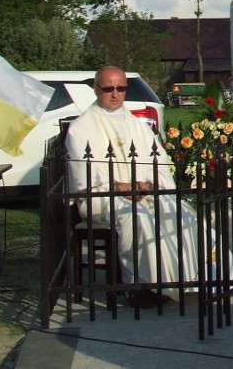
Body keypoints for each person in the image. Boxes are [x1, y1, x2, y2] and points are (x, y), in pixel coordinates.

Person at [65, 66, 198, 308]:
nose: (115, 94)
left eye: (121, 88)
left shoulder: (137, 125)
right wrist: (123, 188)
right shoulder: (80, 128)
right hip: (103, 196)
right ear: (96, 89)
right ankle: (143, 287)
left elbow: (157, 163)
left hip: (142, 191)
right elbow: (85, 180)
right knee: (138, 219)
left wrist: (146, 185)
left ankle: (186, 280)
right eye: (108, 88)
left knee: (181, 212)